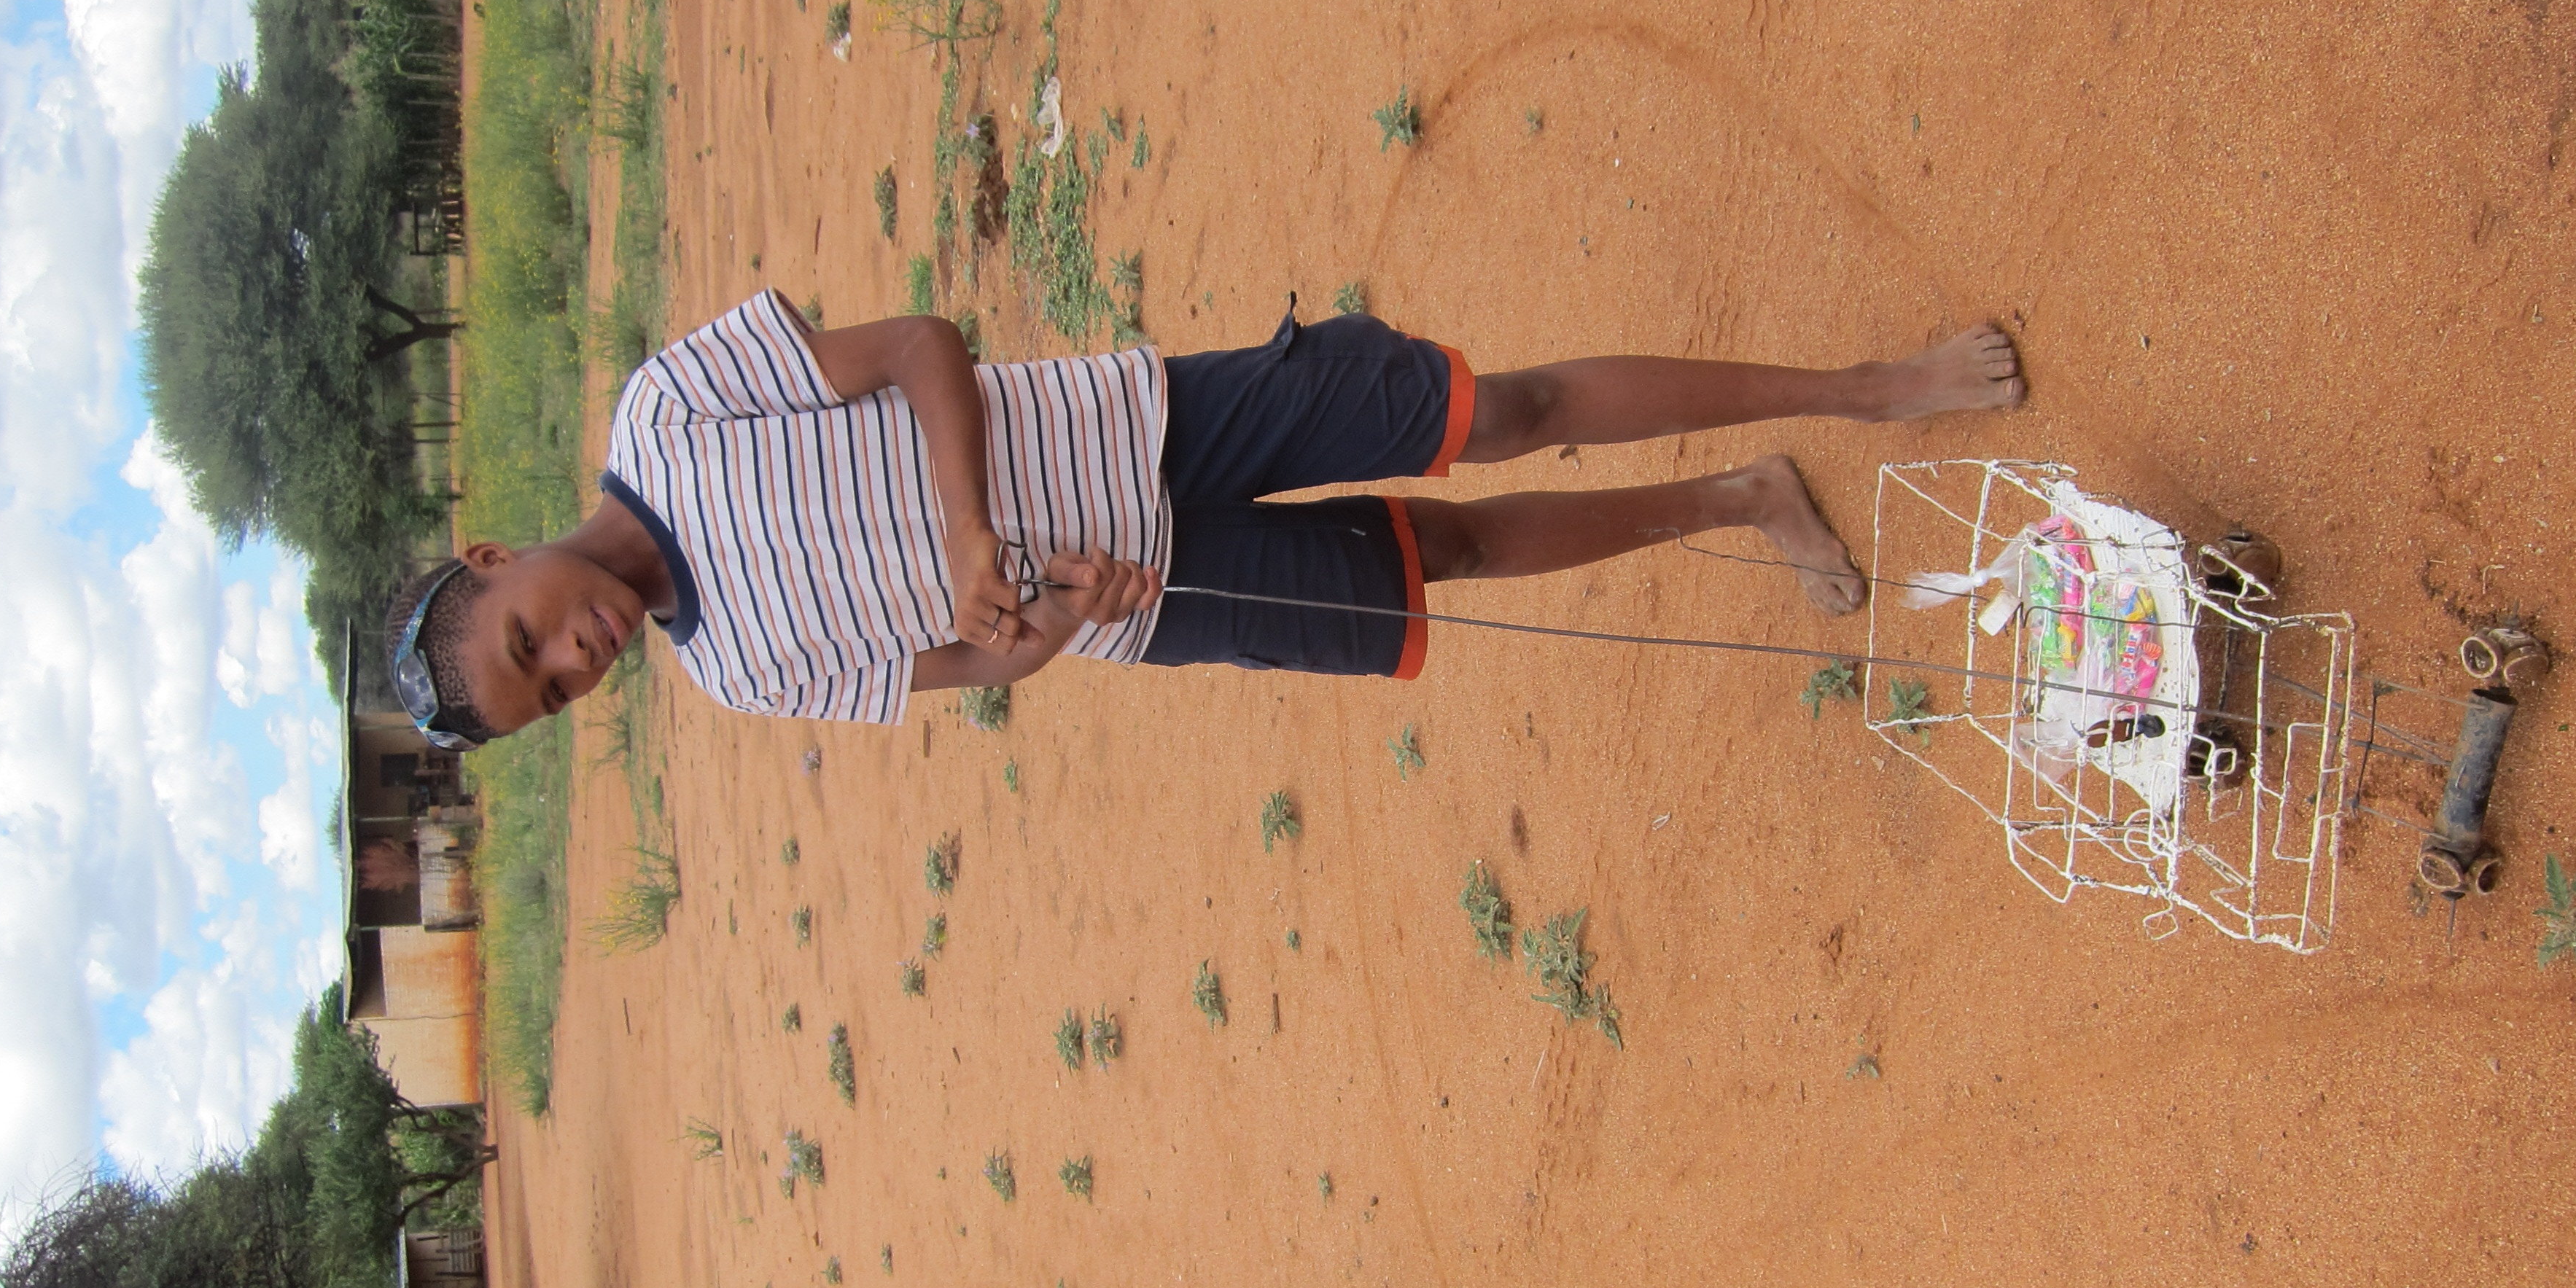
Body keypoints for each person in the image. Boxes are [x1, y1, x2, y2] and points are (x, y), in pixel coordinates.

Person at [384, 292, 2023, 746]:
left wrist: (968, 530)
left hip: (1155, 418)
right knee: (1439, 562)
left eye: (530, 639)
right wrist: (1041, 628)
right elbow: (969, 674)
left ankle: (1874, 388)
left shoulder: (669, 413)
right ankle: (1742, 499)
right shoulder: (736, 672)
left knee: (1499, 415)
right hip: (1156, 597)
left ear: (489, 558)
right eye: (558, 694)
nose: (576, 657)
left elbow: (919, 350)